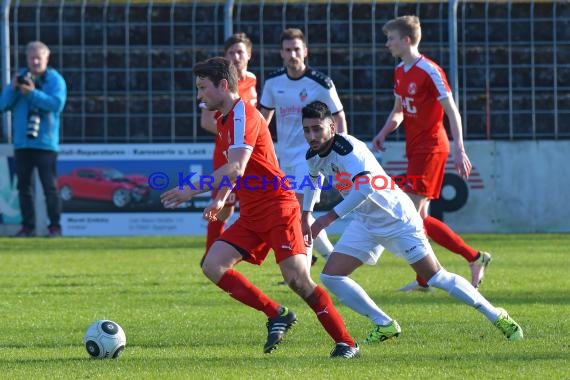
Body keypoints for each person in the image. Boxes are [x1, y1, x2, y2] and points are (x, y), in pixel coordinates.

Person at [160, 57, 360, 358]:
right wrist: (220, 197)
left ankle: (347, 342)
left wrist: (191, 188)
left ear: (223, 85)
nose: (199, 95)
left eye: (202, 88)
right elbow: (237, 169)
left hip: (279, 208)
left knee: (298, 280)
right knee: (212, 265)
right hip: (252, 213)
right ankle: (276, 314)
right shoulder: (224, 119)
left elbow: (236, 167)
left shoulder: (244, 115)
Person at [300, 101, 523, 344]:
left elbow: (365, 188)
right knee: (331, 276)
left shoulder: (349, 149)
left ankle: (496, 314)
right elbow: (313, 181)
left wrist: (326, 219)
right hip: (365, 222)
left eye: (317, 129)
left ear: (332, 127)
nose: (312, 135)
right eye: (307, 130)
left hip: (397, 218)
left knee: (436, 277)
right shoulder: (313, 155)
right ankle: (383, 324)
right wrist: (304, 216)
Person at [371, 15, 491, 291]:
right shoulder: (400, 71)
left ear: (406, 40)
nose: (387, 43)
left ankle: (433, 274)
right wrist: (383, 132)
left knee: (409, 216)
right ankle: (471, 259)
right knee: (420, 219)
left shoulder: (430, 71)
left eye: (391, 38)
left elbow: (452, 111)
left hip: (433, 147)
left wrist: (460, 148)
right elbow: (399, 111)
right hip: (414, 148)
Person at [259, 28, 342, 266]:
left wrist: (337, 149)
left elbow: (339, 116)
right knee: (301, 212)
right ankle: (330, 259)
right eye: (288, 50)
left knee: (297, 209)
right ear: (281, 53)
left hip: (311, 157)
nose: (293, 54)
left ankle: (302, 267)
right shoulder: (273, 82)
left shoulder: (320, 83)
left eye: (297, 49)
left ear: (305, 51)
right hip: (282, 157)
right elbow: (263, 119)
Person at [0, 41, 67, 237]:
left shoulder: (54, 80)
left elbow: (56, 104)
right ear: (27, 59)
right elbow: (3, 105)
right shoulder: (20, 78)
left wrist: (32, 93)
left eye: (39, 58)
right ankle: (27, 227)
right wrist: (13, 88)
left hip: (46, 144)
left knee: (50, 187)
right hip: (23, 143)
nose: (35, 61)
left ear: (47, 58)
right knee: (23, 187)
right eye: (32, 58)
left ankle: (55, 226)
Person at [200, 32, 257, 258]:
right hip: (225, 154)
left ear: (249, 55)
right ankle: (210, 252)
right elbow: (205, 122)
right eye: (231, 52)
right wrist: (235, 136)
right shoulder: (216, 84)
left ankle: (246, 251)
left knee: (251, 204)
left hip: (248, 155)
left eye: (240, 51)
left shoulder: (253, 80)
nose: (236, 56)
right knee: (222, 207)